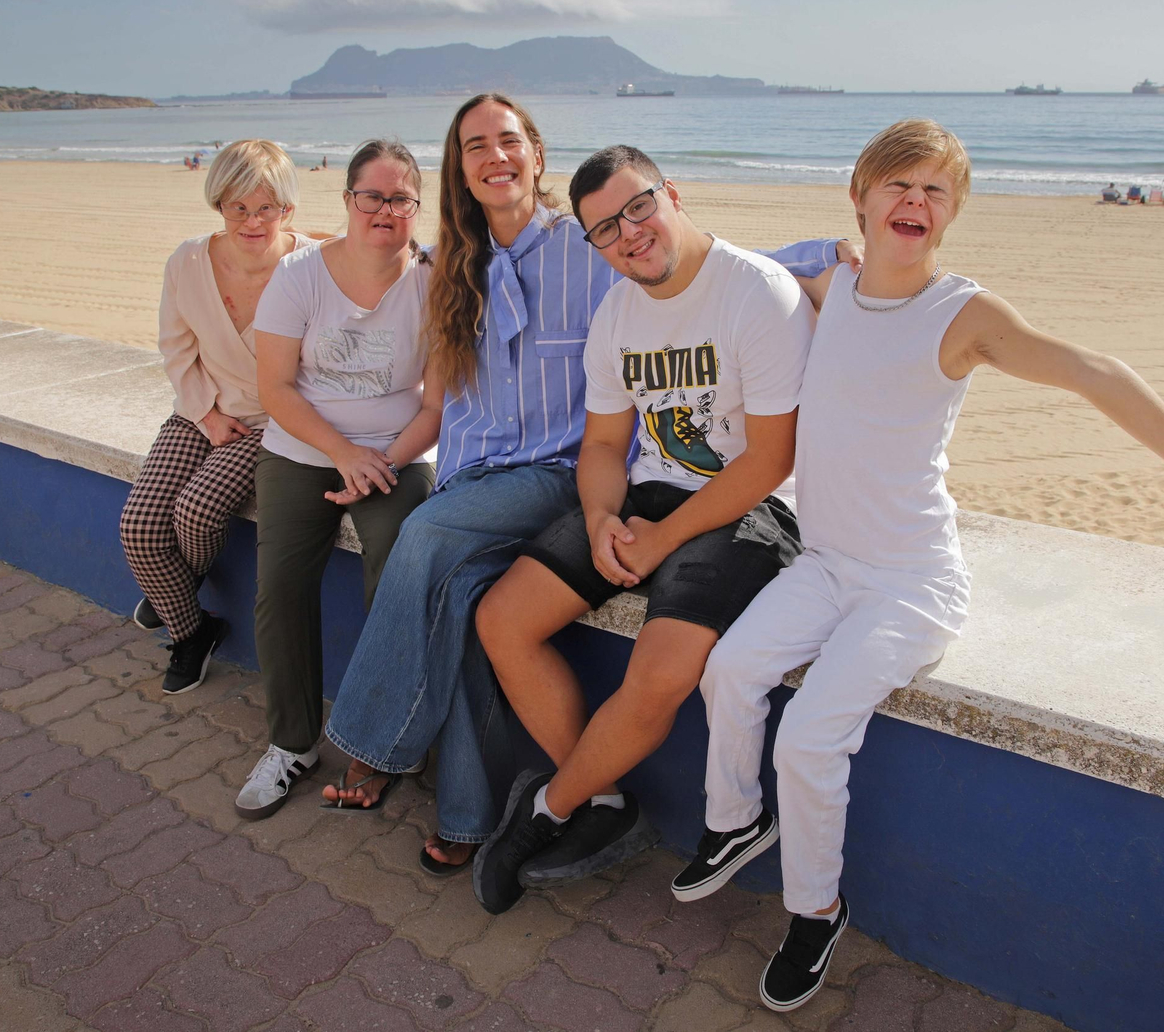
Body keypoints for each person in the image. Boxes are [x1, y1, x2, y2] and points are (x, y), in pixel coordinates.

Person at [673, 119, 1164, 1013]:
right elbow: (731, 271)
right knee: (730, 668)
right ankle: (736, 823)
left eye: (934, 189)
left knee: (808, 736)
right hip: (826, 562)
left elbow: (1094, 371)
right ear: (860, 197)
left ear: (954, 210)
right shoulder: (833, 284)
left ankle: (816, 911)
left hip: (909, 584)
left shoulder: (963, 315)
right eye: (897, 184)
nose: (914, 201)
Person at [318, 93, 859, 878]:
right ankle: (483, 811)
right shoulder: (449, 266)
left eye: (509, 140)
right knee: (469, 598)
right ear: (459, 169)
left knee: (424, 537)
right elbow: (375, 293)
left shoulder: (590, 245)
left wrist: (822, 254)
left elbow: (691, 263)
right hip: (485, 480)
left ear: (536, 154)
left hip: (557, 475)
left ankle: (384, 750)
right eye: (475, 146)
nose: (495, 156)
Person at [471, 146, 812, 914]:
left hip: (753, 507)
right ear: (594, 244)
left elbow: (770, 459)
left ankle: (546, 810)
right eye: (605, 229)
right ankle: (600, 798)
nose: (629, 233)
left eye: (638, 207)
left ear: (672, 195)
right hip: (650, 495)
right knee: (503, 619)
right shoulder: (618, 314)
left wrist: (661, 540)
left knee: (660, 671)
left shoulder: (757, 292)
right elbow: (602, 445)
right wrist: (600, 517)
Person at [235, 140, 442, 820]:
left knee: (399, 573)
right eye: (372, 196)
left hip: (396, 451)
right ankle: (291, 743)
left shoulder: (435, 282)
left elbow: (437, 406)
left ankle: (381, 740)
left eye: (400, 198)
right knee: (281, 587)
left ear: (417, 206)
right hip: (301, 448)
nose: (385, 209)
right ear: (349, 199)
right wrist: (342, 453)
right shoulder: (299, 276)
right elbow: (275, 388)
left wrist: (380, 461)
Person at [119, 139, 320, 694]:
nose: (252, 222)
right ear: (219, 204)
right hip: (200, 408)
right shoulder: (187, 261)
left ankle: (171, 593)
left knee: (197, 511)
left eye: (266, 208)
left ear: (287, 208)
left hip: (272, 423)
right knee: (138, 527)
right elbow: (175, 347)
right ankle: (193, 628)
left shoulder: (312, 267)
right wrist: (205, 413)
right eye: (239, 207)